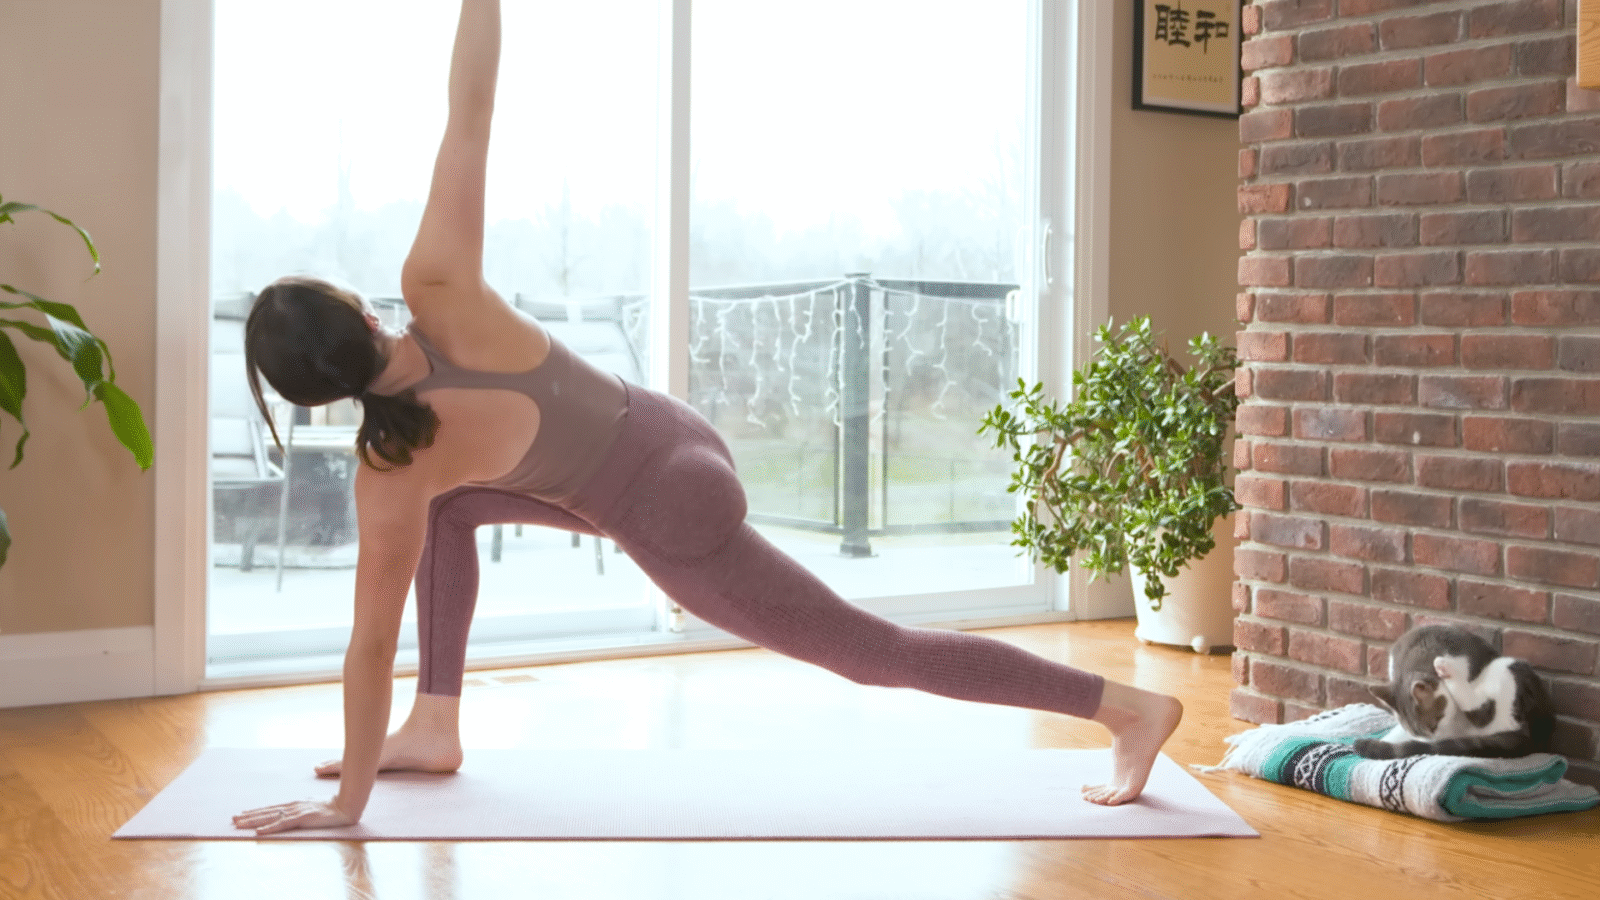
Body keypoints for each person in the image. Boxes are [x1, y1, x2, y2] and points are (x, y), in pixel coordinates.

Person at [231, 0, 1182, 836]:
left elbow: (367, 645)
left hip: (670, 508)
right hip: (664, 430)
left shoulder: (392, 473)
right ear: (360, 312)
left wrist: (347, 803)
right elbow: (469, 113)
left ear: (315, 396)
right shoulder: (437, 289)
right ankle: (434, 727)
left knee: (865, 650)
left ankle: (1126, 709)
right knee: (457, 506)